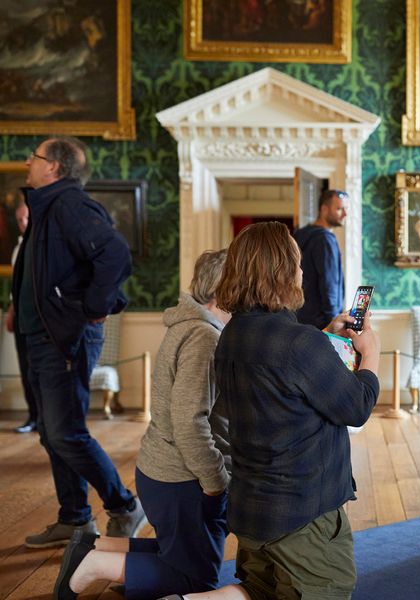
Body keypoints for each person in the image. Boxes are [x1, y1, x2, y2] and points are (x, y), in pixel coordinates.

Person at [155, 221, 380, 600]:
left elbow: (281, 381)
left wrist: (325, 337)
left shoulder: (230, 335)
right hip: (303, 512)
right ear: (282, 271)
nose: (303, 270)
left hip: (252, 509)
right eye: (296, 261)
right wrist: (370, 353)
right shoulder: (299, 344)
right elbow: (356, 406)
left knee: (259, 589)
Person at [52, 250, 232, 599]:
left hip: (164, 472)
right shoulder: (204, 337)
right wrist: (215, 482)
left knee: (185, 560)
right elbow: (189, 422)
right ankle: (95, 566)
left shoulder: (191, 327)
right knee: (196, 581)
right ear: (224, 291)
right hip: (183, 478)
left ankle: (96, 547)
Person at [15, 136, 146, 548]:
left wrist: (93, 307)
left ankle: (124, 505)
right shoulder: (47, 206)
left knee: (66, 432)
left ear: (53, 167)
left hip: (64, 335)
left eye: (34, 157)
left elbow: (115, 254)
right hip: (42, 336)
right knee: (52, 433)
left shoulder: (69, 204)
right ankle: (74, 518)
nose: (27, 163)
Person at [5, 199, 38, 433]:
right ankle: (33, 416)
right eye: (19, 220)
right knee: (25, 367)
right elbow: (16, 287)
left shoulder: (41, 245)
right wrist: (11, 312)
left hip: (38, 317)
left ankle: (44, 419)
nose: (23, 223)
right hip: (19, 314)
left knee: (38, 368)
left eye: (26, 218)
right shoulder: (18, 247)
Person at [293, 189, 347, 329]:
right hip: (322, 323)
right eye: (340, 209)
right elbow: (330, 284)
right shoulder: (325, 239)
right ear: (324, 209)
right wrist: (334, 320)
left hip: (299, 318)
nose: (345, 214)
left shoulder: (299, 234)